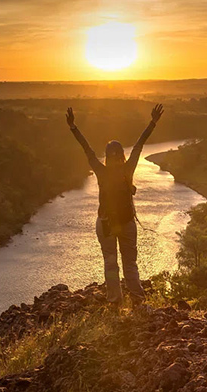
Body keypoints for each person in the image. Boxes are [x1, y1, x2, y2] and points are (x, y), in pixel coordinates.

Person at [66, 104, 164, 307]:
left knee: (111, 263)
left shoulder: (101, 171)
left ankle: (115, 301)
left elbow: (88, 150)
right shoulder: (127, 170)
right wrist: (152, 123)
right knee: (129, 263)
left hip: (107, 223)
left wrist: (74, 128)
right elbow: (139, 145)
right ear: (121, 155)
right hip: (125, 223)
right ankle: (137, 300)